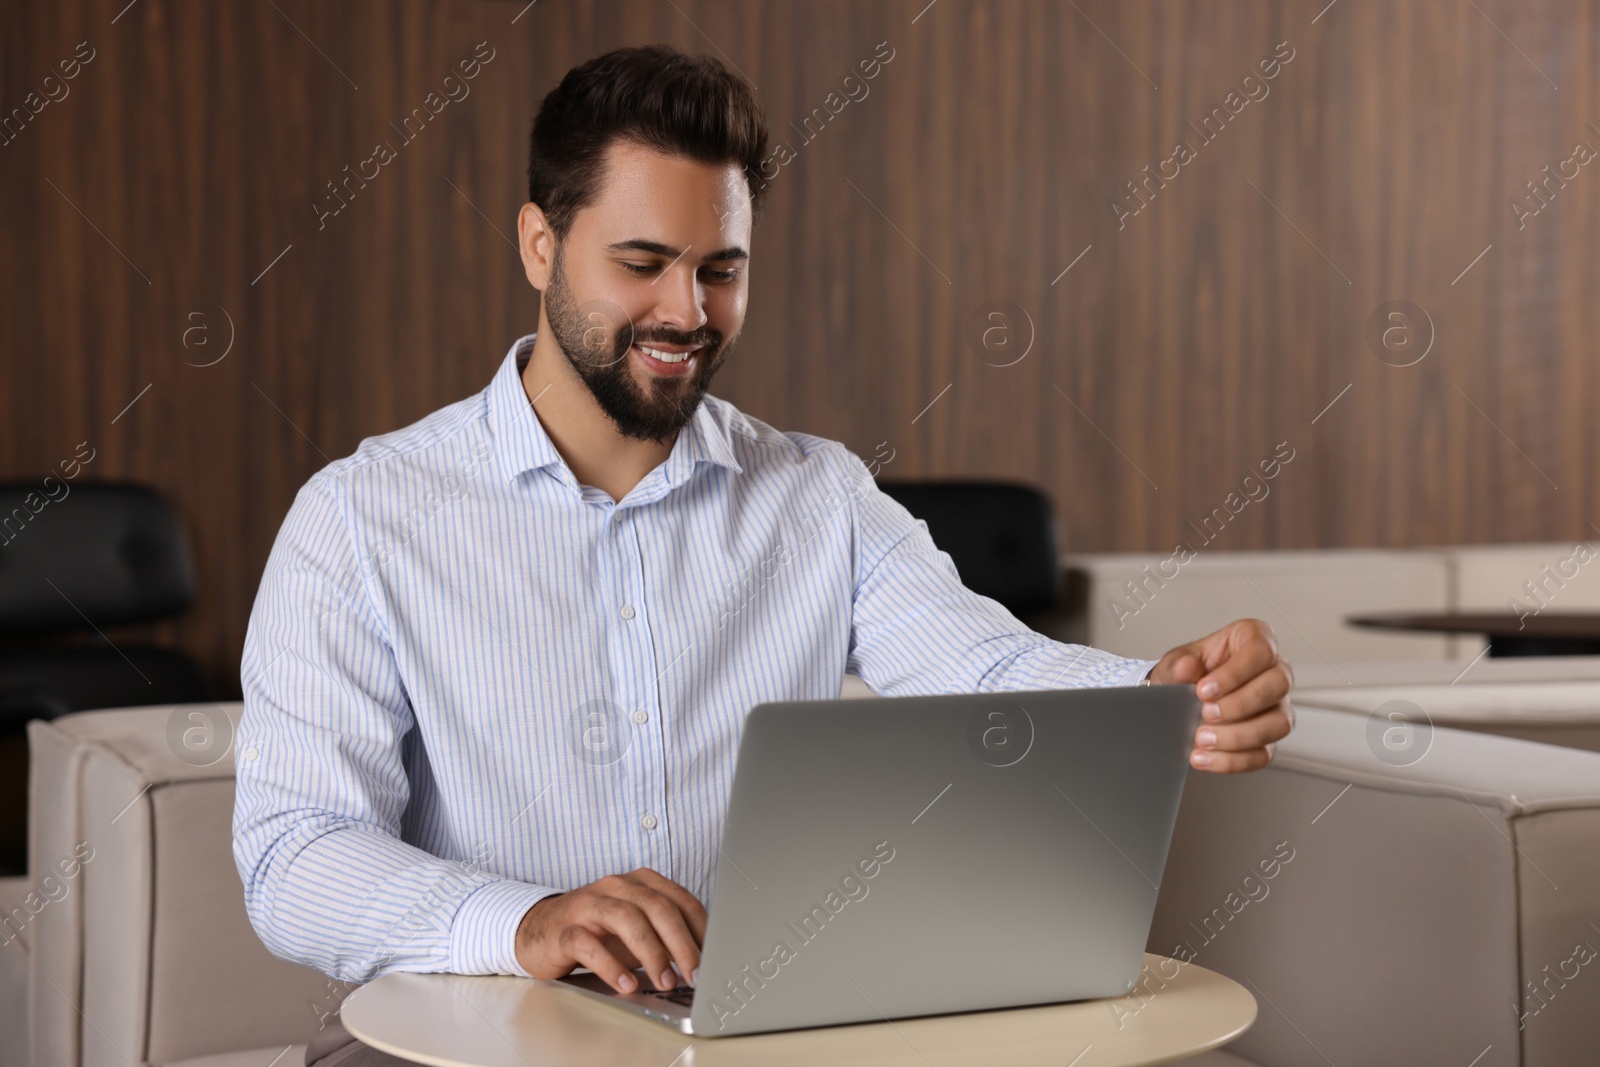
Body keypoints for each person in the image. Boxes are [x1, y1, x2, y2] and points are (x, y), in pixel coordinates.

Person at [235, 43, 1295, 1067]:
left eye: (720, 270)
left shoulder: (816, 496)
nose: (686, 314)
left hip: (740, 1035)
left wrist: (1158, 693)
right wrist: (529, 922)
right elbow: (295, 854)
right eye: (642, 264)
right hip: (461, 1033)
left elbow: (990, 672)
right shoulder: (361, 517)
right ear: (538, 246)